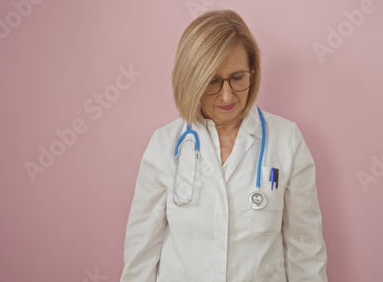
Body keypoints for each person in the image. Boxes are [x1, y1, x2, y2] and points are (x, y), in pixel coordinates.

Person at [120, 10, 327, 282]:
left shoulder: (286, 140)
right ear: (191, 80)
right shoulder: (164, 146)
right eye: (212, 81)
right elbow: (141, 255)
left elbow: (306, 251)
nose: (227, 95)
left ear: (252, 72)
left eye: (238, 77)